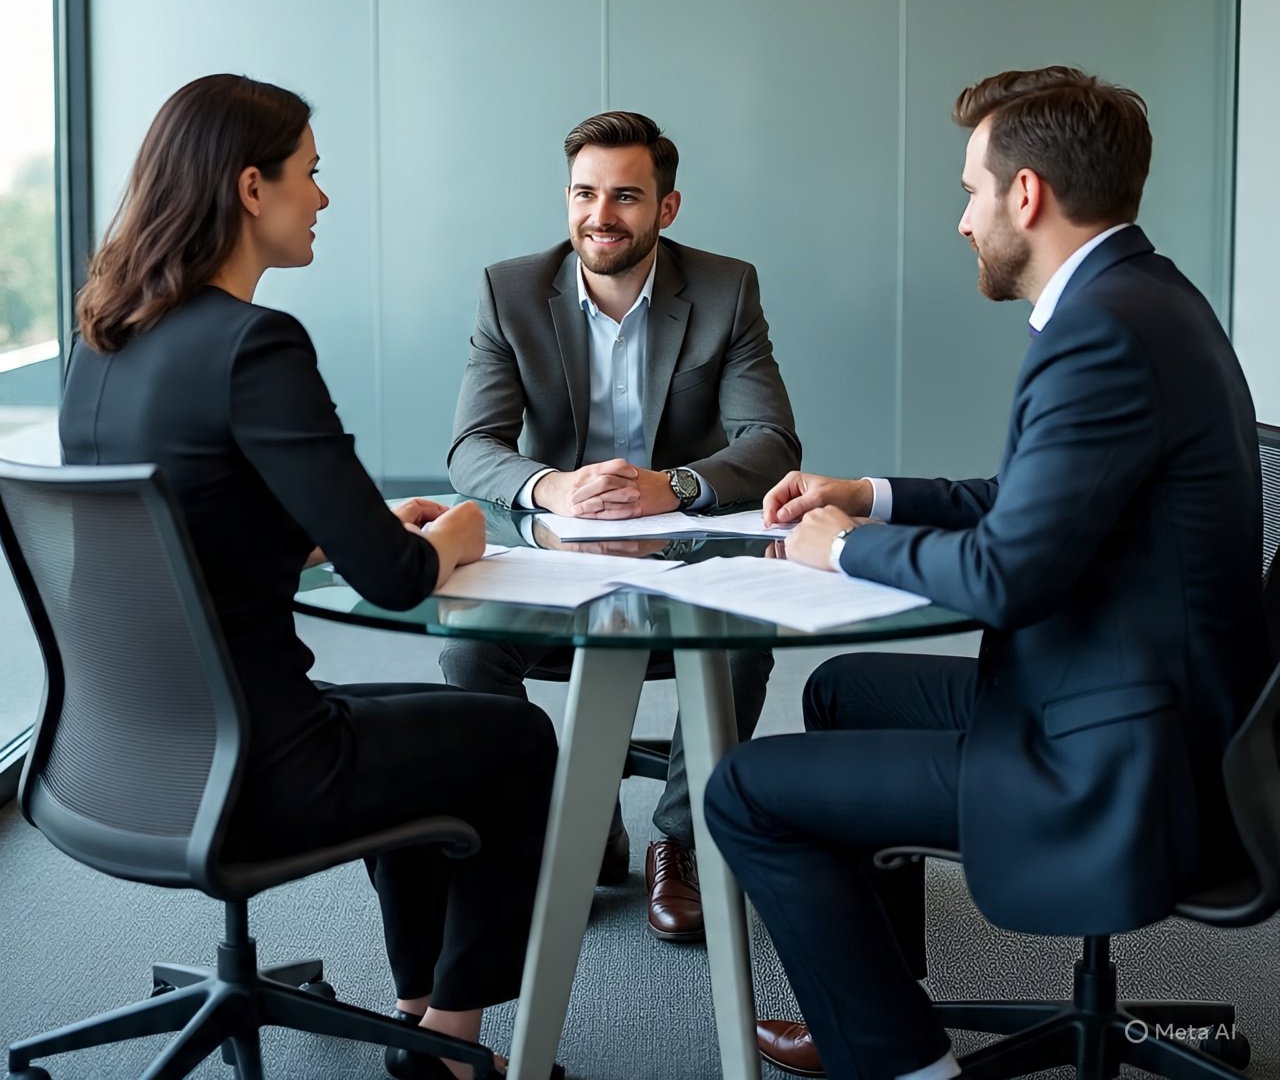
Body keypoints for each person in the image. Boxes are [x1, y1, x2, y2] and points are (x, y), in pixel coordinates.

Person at [703, 66, 1272, 1080]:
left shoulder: (1100, 329)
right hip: (1149, 697)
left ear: (1025, 195)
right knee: (838, 688)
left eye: (969, 189)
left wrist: (835, 546)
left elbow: (1007, 571)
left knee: (745, 791)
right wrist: (869, 494)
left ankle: (900, 1064)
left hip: (1120, 757)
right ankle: (883, 1004)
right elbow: (1033, 502)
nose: (962, 218)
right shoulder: (1143, 294)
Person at [60, 74, 561, 1080]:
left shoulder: (105, 341)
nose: (322, 198)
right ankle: (453, 1048)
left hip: (123, 753)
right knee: (511, 737)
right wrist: (458, 529)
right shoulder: (256, 343)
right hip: (259, 760)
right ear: (252, 188)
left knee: (423, 728)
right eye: (310, 174)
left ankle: (418, 1005)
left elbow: (182, 524)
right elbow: (396, 579)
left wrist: (334, 528)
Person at [443, 110, 800, 941]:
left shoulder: (725, 288)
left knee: (745, 636)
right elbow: (473, 447)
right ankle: (561, 816)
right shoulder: (511, 289)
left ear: (666, 209)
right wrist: (552, 486)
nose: (601, 215)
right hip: (553, 553)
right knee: (467, 648)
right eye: (584, 193)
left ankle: (679, 840)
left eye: (627, 196)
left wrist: (671, 486)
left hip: (684, 549)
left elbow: (773, 441)